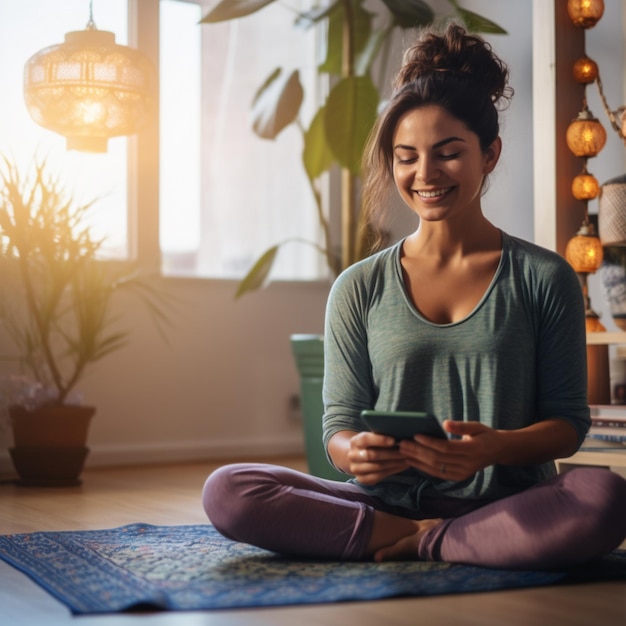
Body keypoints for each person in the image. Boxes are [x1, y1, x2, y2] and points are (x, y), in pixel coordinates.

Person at [203, 23, 626, 570]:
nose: (425, 174)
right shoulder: (358, 287)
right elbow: (338, 427)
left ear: (489, 154)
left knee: (605, 498)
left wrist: (492, 448)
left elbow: (568, 426)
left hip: (510, 503)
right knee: (229, 489)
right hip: (382, 502)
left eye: (448, 153)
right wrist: (354, 453)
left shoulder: (544, 277)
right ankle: (424, 534)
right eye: (406, 157)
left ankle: (425, 541)